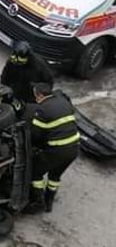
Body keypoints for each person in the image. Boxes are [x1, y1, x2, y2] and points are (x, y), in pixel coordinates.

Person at [23, 83, 80, 214]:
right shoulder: (63, 102)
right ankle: (49, 202)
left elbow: (36, 135)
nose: (35, 98)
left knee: (35, 172)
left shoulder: (42, 109)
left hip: (57, 150)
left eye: (36, 96)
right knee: (55, 175)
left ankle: (37, 202)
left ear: (41, 95)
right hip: (74, 148)